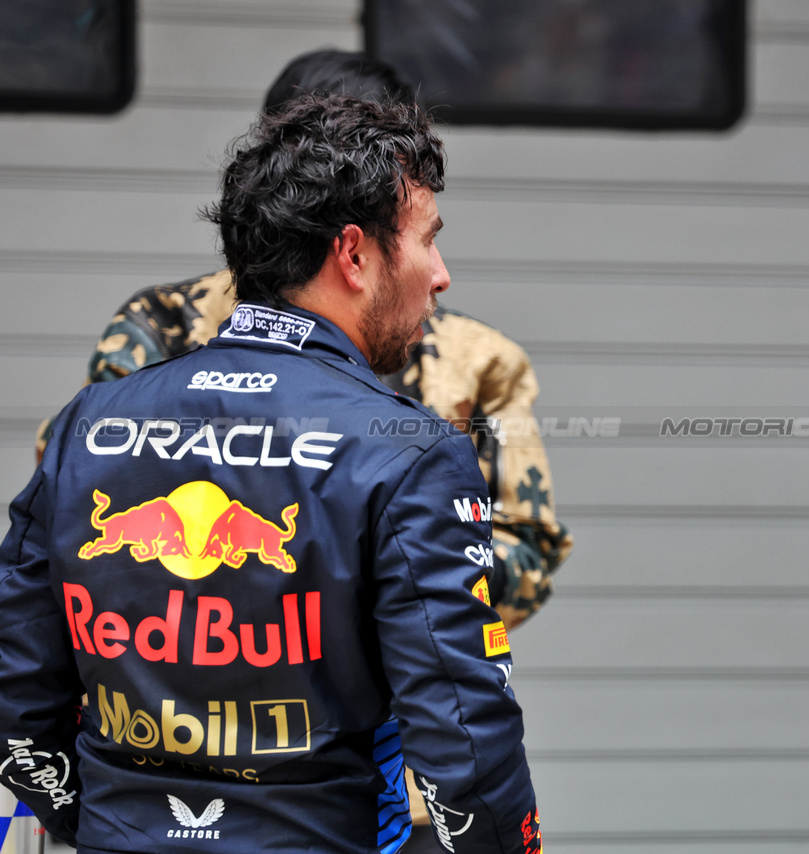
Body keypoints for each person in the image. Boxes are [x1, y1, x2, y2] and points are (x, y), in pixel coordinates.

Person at [0, 93, 541, 853]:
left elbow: (17, 682)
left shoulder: (90, 422)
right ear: (353, 253)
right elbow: (463, 736)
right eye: (428, 241)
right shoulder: (410, 450)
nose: (441, 275)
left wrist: (98, 818)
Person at [35, 48, 572, 632]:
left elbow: (528, 551)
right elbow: (75, 516)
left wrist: (381, 581)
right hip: (183, 663)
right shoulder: (162, 325)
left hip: (402, 690)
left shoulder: (479, 362)